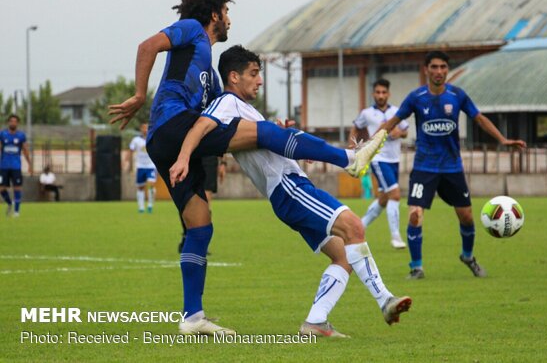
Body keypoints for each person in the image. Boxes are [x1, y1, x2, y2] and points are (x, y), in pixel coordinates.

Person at [108, 0, 386, 336]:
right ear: (214, 14)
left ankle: (192, 317)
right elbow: (147, 46)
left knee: (200, 223)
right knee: (264, 133)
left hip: (167, 142)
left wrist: (276, 134)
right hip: (174, 125)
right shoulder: (191, 29)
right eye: (226, 12)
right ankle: (349, 159)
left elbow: (223, 118)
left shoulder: (211, 78)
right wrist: (138, 95)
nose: (229, 19)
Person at [169, 45, 411, 337]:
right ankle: (385, 300)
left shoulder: (245, 110)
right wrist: (183, 157)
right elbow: (200, 125)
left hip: (288, 191)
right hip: (289, 188)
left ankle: (315, 322)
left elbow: (264, 142)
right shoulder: (226, 102)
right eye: (254, 74)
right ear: (233, 76)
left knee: (343, 256)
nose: (260, 80)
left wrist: (286, 139)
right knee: (354, 227)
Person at [382, 51, 527, 279]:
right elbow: (392, 122)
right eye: (434, 67)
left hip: (452, 167)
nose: (439, 71)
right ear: (426, 70)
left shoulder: (457, 95)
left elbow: (479, 119)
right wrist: (369, 145)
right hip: (424, 167)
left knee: (467, 217)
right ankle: (416, 267)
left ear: (447, 70)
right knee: (415, 215)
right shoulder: (416, 97)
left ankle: (468, 256)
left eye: (443, 67)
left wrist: (502, 139)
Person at [351, 79, 409, 249]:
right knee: (395, 194)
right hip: (378, 158)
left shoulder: (396, 111)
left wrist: (399, 133)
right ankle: (396, 237)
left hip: (394, 159)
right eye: (378, 92)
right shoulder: (367, 113)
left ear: (388, 94)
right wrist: (352, 146)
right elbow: (355, 127)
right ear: (373, 94)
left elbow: (405, 131)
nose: (381, 95)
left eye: (384, 92)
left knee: (384, 199)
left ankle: (358, 227)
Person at [177, 155, 226, 253]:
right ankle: (187, 236)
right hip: (190, 157)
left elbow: (223, 145)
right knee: (187, 201)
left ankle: (201, 242)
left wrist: (223, 163)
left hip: (209, 158)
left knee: (205, 203)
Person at [0, 114, 32, 217]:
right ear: (8, 122)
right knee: (1, 188)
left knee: (17, 188)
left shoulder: (21, 136)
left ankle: (17, 212)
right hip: (3, 167)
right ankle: (9, 203)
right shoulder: (2, 134)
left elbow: (25, 150)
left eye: (15, 121)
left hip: (16, 167)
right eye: (11, 121)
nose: (13, 123)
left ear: (17, 123)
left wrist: (29, 164)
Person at [127, 123, 157, 213]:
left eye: (147, 128)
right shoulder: (136, 140)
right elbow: (131, 151)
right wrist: (129, 164)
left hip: (151, 166)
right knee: (140, 187)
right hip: (140, 166)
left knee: (151, 184)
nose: (145, 130)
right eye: (144, 128)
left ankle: (150, 205)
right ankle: (141, 207)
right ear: (141, 129)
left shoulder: (153, 138)